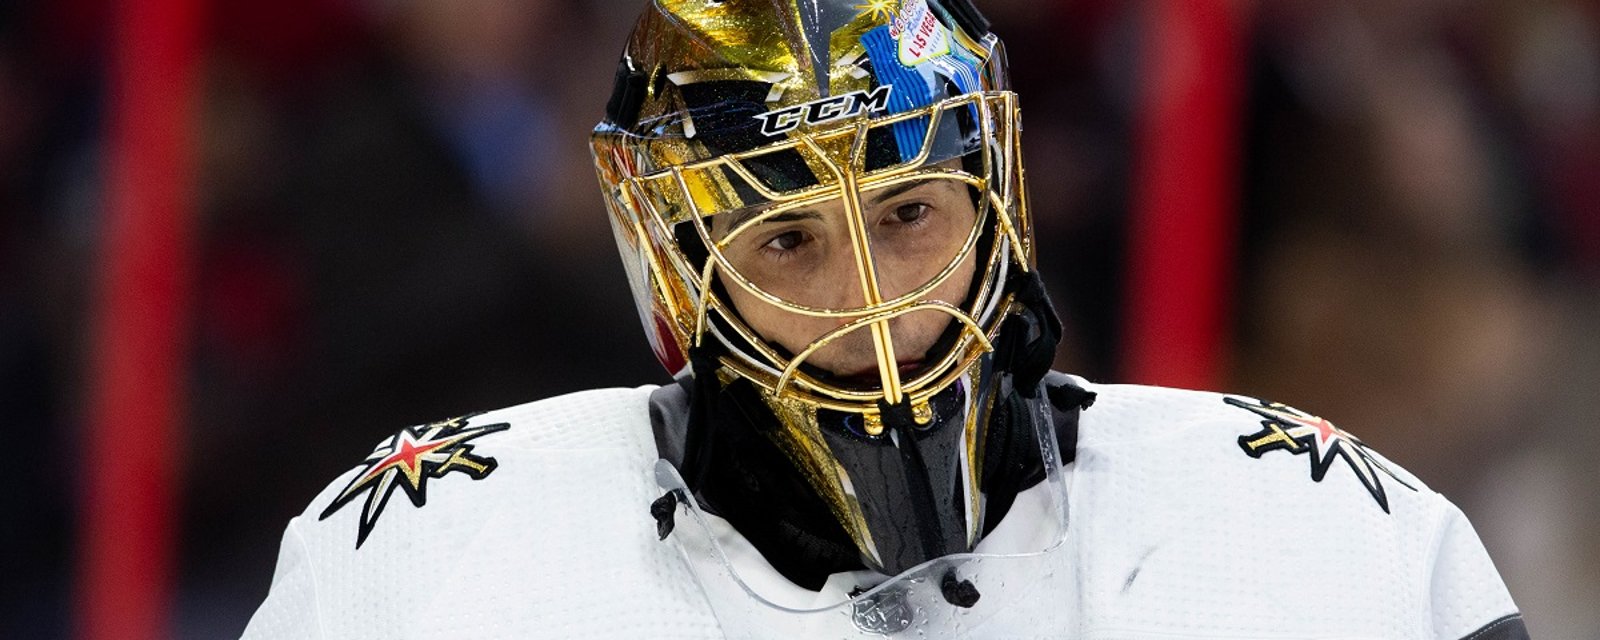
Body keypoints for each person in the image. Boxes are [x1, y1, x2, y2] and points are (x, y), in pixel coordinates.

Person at [241, 0, 1525, 637]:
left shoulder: (1307, 527)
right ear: (674, 263)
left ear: (1000, 192)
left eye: (912, 210)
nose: (871, 293)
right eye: (786, 236)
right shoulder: (421, 559)